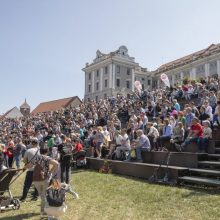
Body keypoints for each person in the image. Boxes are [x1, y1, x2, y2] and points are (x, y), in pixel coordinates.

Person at [24, 145, 58, 217]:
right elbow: (56, 164)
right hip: (44, 178)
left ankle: (43, 211)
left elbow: (29, 165)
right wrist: (50, 172)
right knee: (44, 196)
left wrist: (24, 167)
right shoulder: (47, 158)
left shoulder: (36, 158)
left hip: (36, 179)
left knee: (42, 196)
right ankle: (43, 212)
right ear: (47, 151)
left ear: (40, 151)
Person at [20, 138, 39, 202]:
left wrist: (26, 165)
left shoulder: (28, 151)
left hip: (30, 170)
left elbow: (25, 160)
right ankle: (35, 197)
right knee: (37, 184)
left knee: (27, 185)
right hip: (38, 170)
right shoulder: (40, 150)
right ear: (37, 143)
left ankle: (23, 198)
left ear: (32, 143)